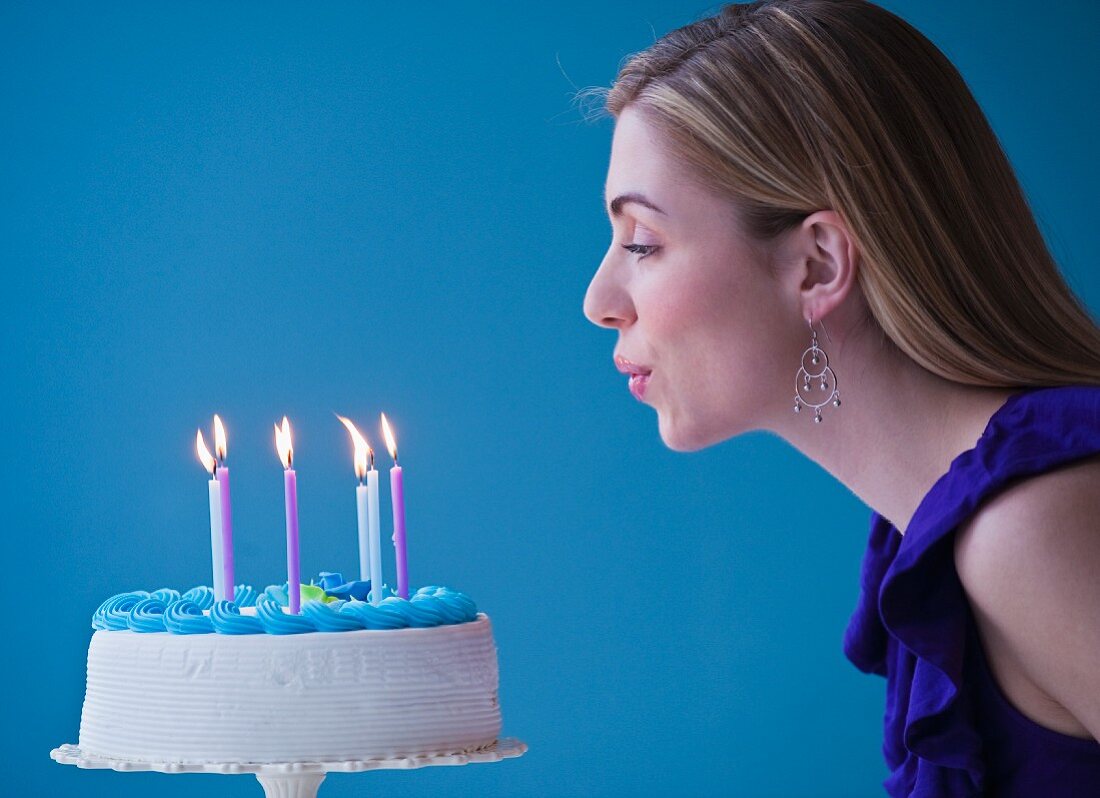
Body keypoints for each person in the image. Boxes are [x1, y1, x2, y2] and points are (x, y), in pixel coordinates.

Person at [580, 1, 1100, 795]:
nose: (599, 298)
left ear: (818, 263)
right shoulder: (941, 536)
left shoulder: (1031, 526)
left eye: (643, 242)